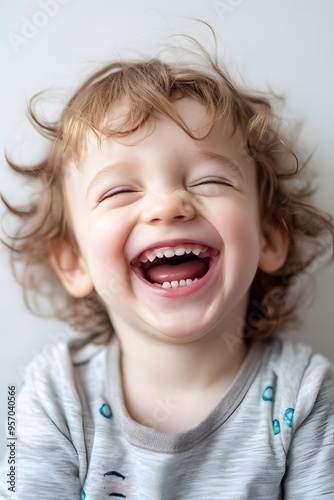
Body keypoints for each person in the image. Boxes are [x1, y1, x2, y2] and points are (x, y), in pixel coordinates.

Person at [1, 38, 334, 499]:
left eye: (210, 180)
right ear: (74, 261)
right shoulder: (51, 395)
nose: (167, 205)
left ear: (270, 237)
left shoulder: (304, 395)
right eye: (119, 191)